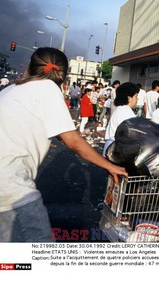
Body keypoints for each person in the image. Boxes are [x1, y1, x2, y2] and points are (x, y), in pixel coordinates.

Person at [0, 47, 127, 242]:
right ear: (63, 75)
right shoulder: (47, 88)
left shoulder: (12, 89)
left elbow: (54, 130)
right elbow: (73, 141)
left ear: (31, 66)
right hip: (10, 188)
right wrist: (110, 166)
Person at [103, 82, 138, 156]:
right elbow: (131, 136)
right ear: (129, 98)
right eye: (136, 96)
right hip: (115, 152)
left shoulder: (121, 109)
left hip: (111, 148)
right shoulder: (126, 112)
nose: (137, 99)